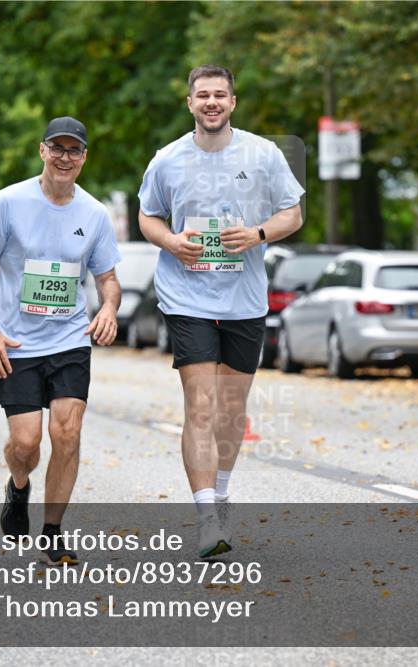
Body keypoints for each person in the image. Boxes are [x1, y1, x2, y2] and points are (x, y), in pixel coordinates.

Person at [138, 65, 304, 557]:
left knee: (232, 408)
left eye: (220, 95)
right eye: (202, 95)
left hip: (244, 298)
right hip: (186, 296)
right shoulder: (167, 160)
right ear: (189, 103)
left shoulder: (263, 153)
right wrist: (171, 242)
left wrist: (257, 235)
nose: (211, 103)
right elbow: (148, 215)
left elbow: (292, 212)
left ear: (233, 102)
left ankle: (222, 491)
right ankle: (206, 515)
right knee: (202, 404)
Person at [0, 116, 121, 567]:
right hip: (17, 343)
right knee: (27, 443)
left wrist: (108, 308)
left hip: (70, 338)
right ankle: (18, 487)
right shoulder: (10, 202)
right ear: (42, 151)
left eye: (74, 150)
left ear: (84, 157)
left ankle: (52, 532)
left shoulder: (93, 214)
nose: (65, 157)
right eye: (58, 148)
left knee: (67, 433)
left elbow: (108, 278)